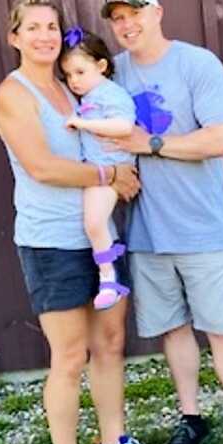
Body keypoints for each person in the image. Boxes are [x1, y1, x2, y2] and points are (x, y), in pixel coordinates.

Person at [0, 0, 164, 444]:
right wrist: (111, 174)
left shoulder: (77, 87)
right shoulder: (15, 94)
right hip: (52, 242)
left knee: (110, 345)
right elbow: (42, 167)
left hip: (100, 237)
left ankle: (113, 441)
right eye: (34, 27)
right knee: (69, 356)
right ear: (15, 38)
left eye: (51, 26)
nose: (45, 35)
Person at [96, 0, 223, 444]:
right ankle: (191, 419)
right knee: (172, 330)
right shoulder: (113, 75)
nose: (127, 25)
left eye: (135, 13)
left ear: (158, 11)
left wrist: (149, 144)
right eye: (118, 18)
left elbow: (220, 140)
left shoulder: (196, 64)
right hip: (147, 232)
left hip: (201, 228)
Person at [58, 26, 136, 311]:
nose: (73, 81)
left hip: (111, 169)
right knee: (96, 224)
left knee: (93, 223)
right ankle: (111, 271)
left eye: (80, 72)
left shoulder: (110, 94)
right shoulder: (90, 97)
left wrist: (83, 123)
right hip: (98, 171)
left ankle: (109, 279)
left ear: (101, 66)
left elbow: (124, 126)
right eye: (67, 75)